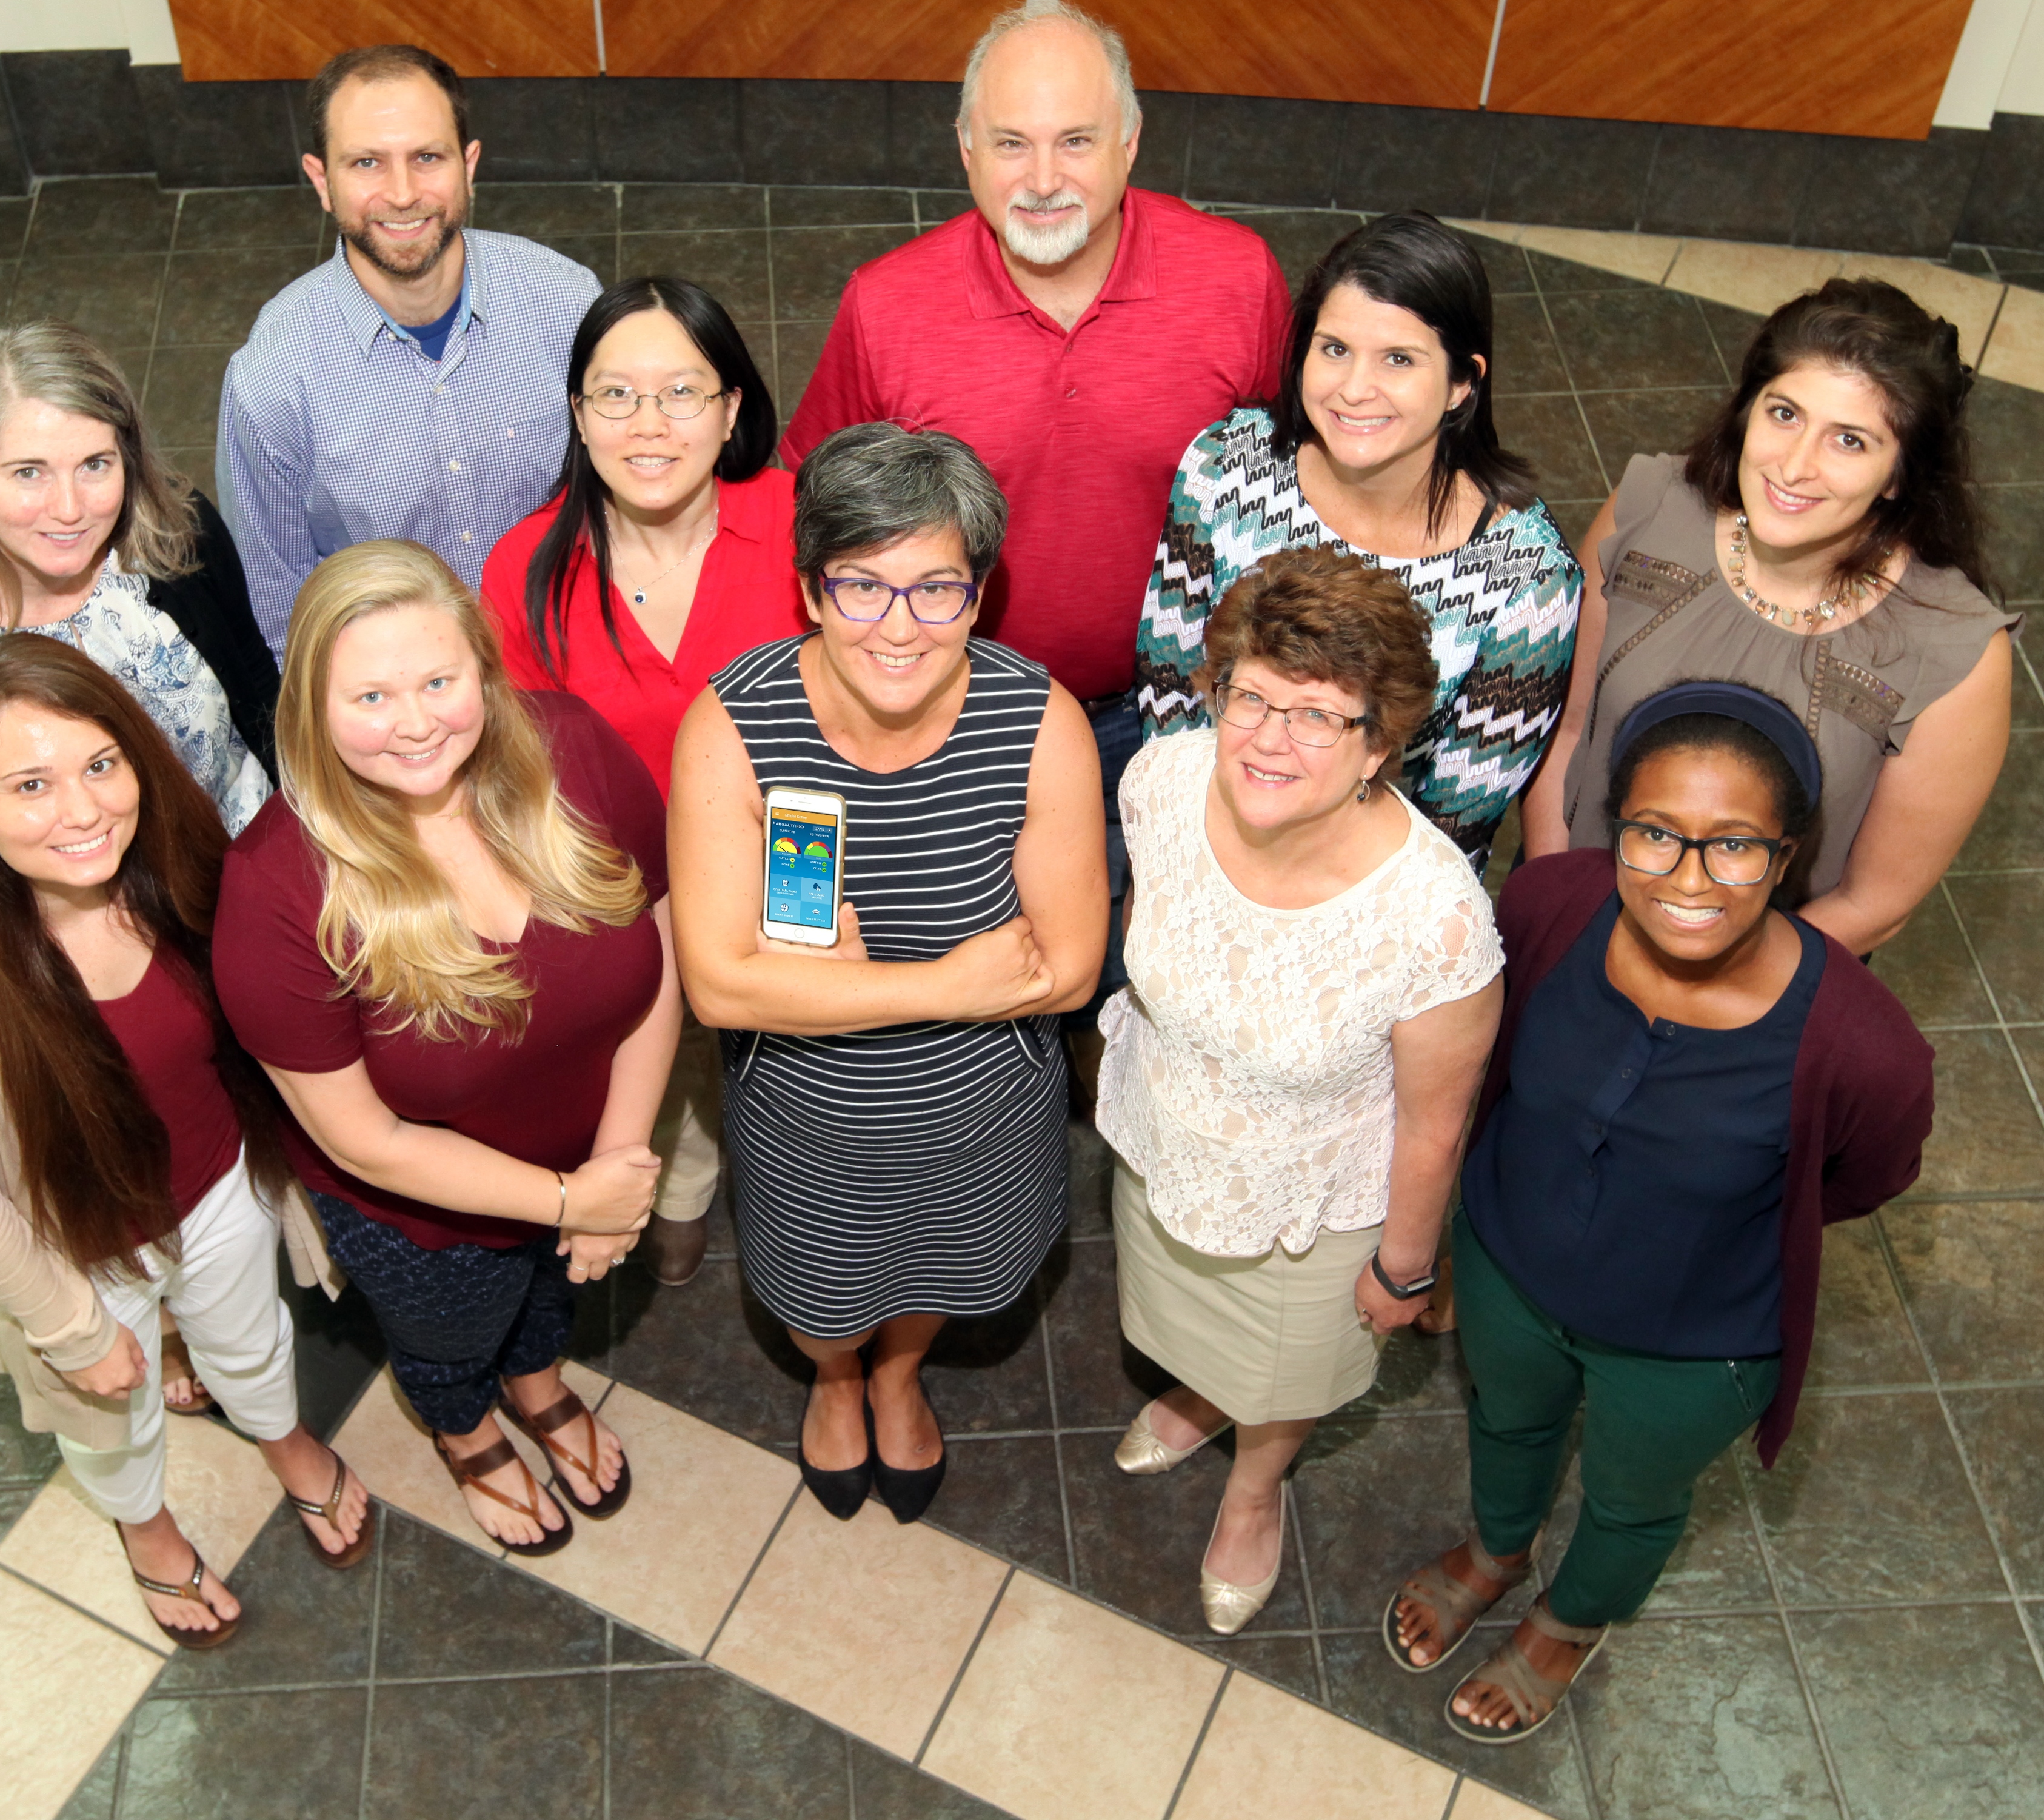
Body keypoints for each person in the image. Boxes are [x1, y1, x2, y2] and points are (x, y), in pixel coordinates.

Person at [1387, 683, 1933, 1742]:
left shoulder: (1861, 1047)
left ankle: (1567, 1618)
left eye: (1731, 846)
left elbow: (1861, 1177)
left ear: (1785, 857)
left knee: (1632, 1499)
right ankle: (1498, 1552)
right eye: (1652, 835)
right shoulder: (1547, 906)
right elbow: (1485, 1061)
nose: (1687, 880)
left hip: (1691, 1345)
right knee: (1504, 1422)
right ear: (1614, 831)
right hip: (1506, 1263)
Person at [781, 1, 1289, 1027]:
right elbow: (819, 509)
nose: (1044, 177)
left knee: (1154, 957)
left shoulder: (1235, 282)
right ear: (965, 152)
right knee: (981, 955)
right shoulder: (886, 306)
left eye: (1075, 141)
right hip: (951, 711)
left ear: (1130, 143)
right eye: (1010, 143)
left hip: (1170, 716)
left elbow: (1290, 490)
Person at [0, 635, 371, 1649]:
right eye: (31, 785)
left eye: (100, 764)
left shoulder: (175, 864)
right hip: (78, 1250)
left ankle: (284, 1439)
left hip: (220, 1185)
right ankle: (147, 1531)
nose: (84, 810)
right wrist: (71, 1328)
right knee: (111, 1413)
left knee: (251, 1338)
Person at [671, 424, 1107, 1525]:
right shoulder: (732, 725)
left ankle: (900, 1371)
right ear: (811, 588)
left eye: (935, 590)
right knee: (821, 1299)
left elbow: (1065, 970)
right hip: (806, 1124)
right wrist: (948, 984)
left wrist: (822, 986)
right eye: (860, 586)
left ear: (979, 592)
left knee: (951, 1280)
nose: (897, 628)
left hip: (984, 1117)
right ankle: (833, 1375)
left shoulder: (1039, 720)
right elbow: (720, 989)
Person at [214, 540, 675, 1554]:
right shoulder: (275, 891)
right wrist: (570, 1203)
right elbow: (365, 1138)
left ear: (483, 671)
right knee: (446, 1337)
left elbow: (660, 951)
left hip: (586, 1158)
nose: (416, 722)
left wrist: (615, 1161)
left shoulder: (576, 752)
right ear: (312, 714)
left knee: (550, 1300)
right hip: (418, 1215)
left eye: (437, 680)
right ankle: (464, 1430)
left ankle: (539, 1380)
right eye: (370, 697)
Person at [1098, 547, 1503, 1632]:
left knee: (1278, 1375)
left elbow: (1433, 1121)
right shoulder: (1163, 782)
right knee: (1176, 1310)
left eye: (1316, 716)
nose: (1268, 739)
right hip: (1164, 1133)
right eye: (1249, 696)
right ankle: (1193, 1393)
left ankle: (1253, 1481)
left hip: (1306, 1206)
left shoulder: (1434, 918)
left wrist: (1401, 1266)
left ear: (1380, 741)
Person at [1524, 278, 2019, 955]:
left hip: (1759, 982)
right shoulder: (1648, 508)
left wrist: (1697, 989)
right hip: (1574, 922)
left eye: (1849, 440)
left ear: (1899, 475)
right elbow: (1567, 733)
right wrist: (1551, 911)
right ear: (1747, 411)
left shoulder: (1953, 653)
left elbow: (1873, 904)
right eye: (1784, 414)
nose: (1793, 465)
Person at [481, 276, 806, 1286]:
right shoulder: (521, 567)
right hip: (620, 888)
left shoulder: (806, 528)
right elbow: (526, 775)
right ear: (577, 416)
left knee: (790, 1076)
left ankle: (779, 1196)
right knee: (656, 1056)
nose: (649, 425)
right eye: (615, 396)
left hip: (787, 865)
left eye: (682, 392)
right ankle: (679, 1185)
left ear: (732, 409)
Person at [1135, 212, 1581, 871]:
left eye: (1398, 359)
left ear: (1462, 383)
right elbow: (1167, 686)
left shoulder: (1526, 582)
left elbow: (1454, 821)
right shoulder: (1225, 466)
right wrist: (1194, 857)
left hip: (1366, 891)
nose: (1352, 389)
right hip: (1197, 835)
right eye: (1334, 348)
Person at [0, 321, 278, 943]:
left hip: (255, 892)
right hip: (74, 962)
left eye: (95, 464)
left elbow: (260, 696)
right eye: (28, 472)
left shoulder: (178, 538)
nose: (69, 507)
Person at [217, 44, 601, 659]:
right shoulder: (271, 379)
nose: (401, 194)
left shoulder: (569, 306)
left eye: (427, 158)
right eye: (367, 162)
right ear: (322, 181)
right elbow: (280, 608)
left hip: (566, 655)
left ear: (468, 166)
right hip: (403, 694)